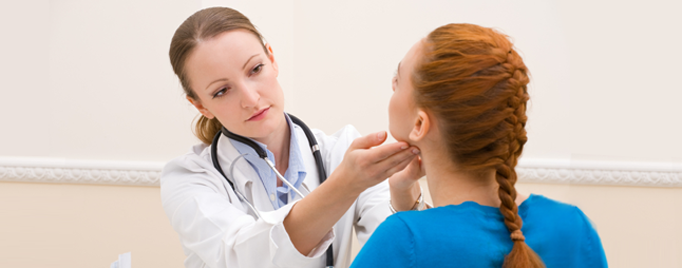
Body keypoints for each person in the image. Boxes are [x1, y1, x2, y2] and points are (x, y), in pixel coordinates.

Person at [160, 7, 425, 268]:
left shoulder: (342, 152)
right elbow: (244, 258)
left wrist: (403, 193)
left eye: (255, 69)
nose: (251, 100)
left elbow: (401, 254)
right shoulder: (189, 179)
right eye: (222, 91)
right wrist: (344, 185)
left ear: (272, 60)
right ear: (201, 106)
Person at [351, 23, 608, 268]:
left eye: (398, 80)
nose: (392, 87)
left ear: (419, 124)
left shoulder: (401, 240)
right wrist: (406, 199)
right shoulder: (572, 228)